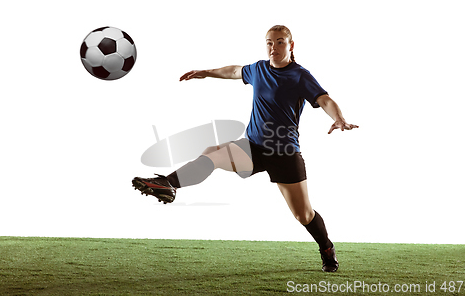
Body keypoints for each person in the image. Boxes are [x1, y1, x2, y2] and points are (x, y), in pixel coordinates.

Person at [132, 25, 358, 272]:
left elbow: (324, 99)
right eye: (270, 43)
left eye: (280, 42)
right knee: (212, 153)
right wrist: (206, 72)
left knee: (303, 215)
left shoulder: (299, 76)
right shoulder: (259, 69)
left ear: (291, 46)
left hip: (284, 154)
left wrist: (338, 118)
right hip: (253, 147)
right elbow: (234, 71)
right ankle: (168, 184)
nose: (274, 48)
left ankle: (326, 249)